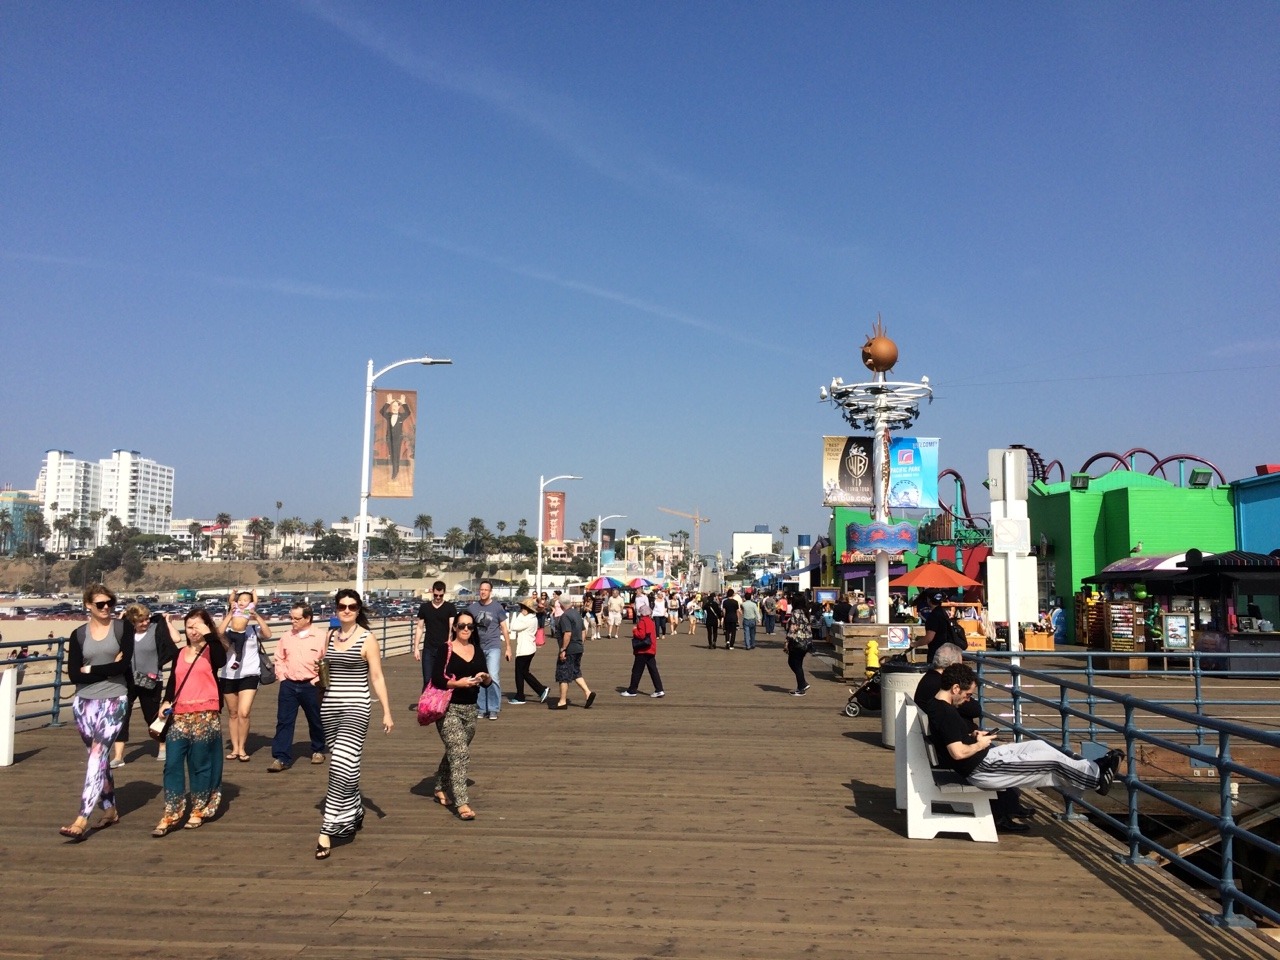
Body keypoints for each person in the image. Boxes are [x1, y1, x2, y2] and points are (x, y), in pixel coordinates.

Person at [923, 663, 1124, 802]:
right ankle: (1096, 780)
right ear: (956, 688)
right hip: (984, 769)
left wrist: (975, 737)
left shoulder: (938, 706)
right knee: (1050, 761)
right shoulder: (945, 712)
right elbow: (957, 752)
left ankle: (1092, 768)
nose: (968, 700)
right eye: (967, 695)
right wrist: (979, 744)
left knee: (1039, 746)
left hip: (984, 759)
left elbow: (952, 738)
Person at [315, 589, 394, 860]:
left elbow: (377, 677)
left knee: (339, 763)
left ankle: (328, 828)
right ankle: (355, 810)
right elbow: (326, 672)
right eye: (342, 606)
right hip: (330, 708)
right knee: (348, 765)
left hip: (356, 708)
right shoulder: (330, 636)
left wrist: (386, 711)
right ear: (335, 609)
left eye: (352, 606)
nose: (346, 610)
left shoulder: (367, 639)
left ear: (359, 610)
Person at [60, 583, 134, 841]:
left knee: (97, 754)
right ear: (88, 606)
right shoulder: (78, 634)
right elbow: (72, 674)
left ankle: (82, 817)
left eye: (110, 603)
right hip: (84, 702)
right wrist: (103, 669)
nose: (106, 608)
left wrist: (90, 670)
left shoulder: (123, 628)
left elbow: (122, 667)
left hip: (115, 698)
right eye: (100, 604)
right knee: (98, 758)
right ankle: (111, 809)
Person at [152, 607, 231, 837]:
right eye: (189, 626)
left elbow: (221, 660)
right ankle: (172, 811)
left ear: (206, 627)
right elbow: (174, 681)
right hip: (179, 714)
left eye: (197, 626)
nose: (193, 631)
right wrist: (165, 701)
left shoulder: (212, 649)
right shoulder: (179, 653)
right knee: (172, 763)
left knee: (200, 763)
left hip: (206, 713)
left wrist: (209, 634)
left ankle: (199, 808)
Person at [430, 611, 492, 820]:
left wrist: (484, 678)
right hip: (448, 708)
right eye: (462, 625)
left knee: (456, 751)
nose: (466, 629)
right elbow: (437, 678)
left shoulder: (477, 650)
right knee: (460, 752)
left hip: (471, 709)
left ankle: (439, 785)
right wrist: (458, 683)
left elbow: (486, 680)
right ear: (454, 627)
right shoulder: (445, 649)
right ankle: (462, 803)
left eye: (470, 626)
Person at [111, 603, 177, 768]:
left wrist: (167, 622)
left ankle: (162, 745)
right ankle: (118, 756)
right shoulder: (127, 633)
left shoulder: (156, 629)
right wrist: (120, 622)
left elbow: (176, 639)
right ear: (133, 622)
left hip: (151, 680)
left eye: (147, 618)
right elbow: (112, 643)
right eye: (141, 620)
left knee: (152, 715)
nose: (145, 622)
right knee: (122, 716)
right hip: (128, 680)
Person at [268, 602, 327, 772]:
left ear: (308, 618)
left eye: (296, 618)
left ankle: (317, 749)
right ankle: (281, 757)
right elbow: (279, 657)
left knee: (315, 719)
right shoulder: (287, 636)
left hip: (311, 685)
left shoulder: (321, 636)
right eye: (291, 618)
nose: (292, 621)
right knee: (284, 721)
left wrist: (317, 680)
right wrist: (282, 677)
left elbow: (327, 660)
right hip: (289, 685)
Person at [218, 599, 272, 761]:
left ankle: (242, 748)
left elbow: (268, 635)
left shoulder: (253, 630)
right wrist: (229, 614)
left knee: (244, 712)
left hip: (250, 674)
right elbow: (217, 634)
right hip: (228, 675)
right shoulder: (227, 631)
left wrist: (257, 617)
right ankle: (235, 748)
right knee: (233, 714)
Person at [467, 580, 511, 720]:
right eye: (481, 589)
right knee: (479, 677)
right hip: (477, 648)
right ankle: (481, 708)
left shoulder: (497, 608)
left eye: (486, 589)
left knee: (493, 675)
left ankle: (493, 708)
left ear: (490, 591)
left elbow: (504, 628)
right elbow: (466, 628)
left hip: (493, 646)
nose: (483, 592)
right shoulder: (472, 608)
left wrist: (508, 647)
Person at [412, 581, 455, 704]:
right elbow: (420, 628)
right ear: (432, 592)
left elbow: (452, 626)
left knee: (445, 677)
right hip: (429, 648)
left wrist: (450, 642)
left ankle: (443, 702)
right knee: (427, 678)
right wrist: (416, 648)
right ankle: (425, 703)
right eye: (435, 595)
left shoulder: (450, 607)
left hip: (444, 648)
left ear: (444, 593)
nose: (437, 598)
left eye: (440, 595)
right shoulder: (425, 608)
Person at [549, 594, 595, 710]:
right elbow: (584, 631)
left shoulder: (565, 616)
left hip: (569, 649)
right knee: (575, 672)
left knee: (563, 675)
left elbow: (567, 633)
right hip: (578, 647)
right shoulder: (576, 614)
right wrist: (581, 644)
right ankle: (588, 692)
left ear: (560, 604)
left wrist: (563, 649)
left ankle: (562, 701)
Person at [508, 596, 547, 704]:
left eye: (523, 608)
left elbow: (513, 626)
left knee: (521, 673)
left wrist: (520, 615)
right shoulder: (532, 618)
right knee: (523, 672)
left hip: (525, 650)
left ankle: (538, 690)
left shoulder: (528, 619)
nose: (521, 610)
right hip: (528, 649)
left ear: (527, 609)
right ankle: (523, 694)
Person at [620, 611, 664, 698]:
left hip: (643, 650)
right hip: (651, 649)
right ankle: (659, 689)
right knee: (653, 670)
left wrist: (635, 630)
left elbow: (641, 635)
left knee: (636, 671)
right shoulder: (651, 621)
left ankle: (632, 690)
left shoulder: (642, 621)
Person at [784, 595, 813, 697]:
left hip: (797, 641)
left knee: (793, 663)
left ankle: (802, 686)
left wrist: (787, 641)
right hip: (806, 642)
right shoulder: (805, 612)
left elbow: (793, 628)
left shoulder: (795, 613)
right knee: (797, 663)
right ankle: (802, 684)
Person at [380, 392, 413, 480]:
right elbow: (381, 411)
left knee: (396, 456)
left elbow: (408, 412)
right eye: (393, 406)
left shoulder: (401, 416)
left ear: (399, 407)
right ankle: (394, 468)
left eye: (396, 406)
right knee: (391, 455)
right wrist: (388, 402)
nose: (394, 407)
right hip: (389, 439)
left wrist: (403, 403)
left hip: (398, 439)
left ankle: (395, 472)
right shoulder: (389, 416)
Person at [921, 591, 961, 662]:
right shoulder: (943, 612)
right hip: (946, 649)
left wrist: (914, 644)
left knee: (936, 671)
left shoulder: (933, 616)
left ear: (929, 600)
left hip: (936, 652)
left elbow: (929, 638)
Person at [224, 589, 256, 669]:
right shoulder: (236, 608)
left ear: (249, 602)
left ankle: (237, 662)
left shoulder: (248, 610)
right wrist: (234, 592)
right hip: (231, 632)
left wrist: (254, 593)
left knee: (239, 649)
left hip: (241, 634)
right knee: (225, 645)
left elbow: (255, 601)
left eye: (245, 600)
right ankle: (221, 657)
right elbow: (231, 600)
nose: (241, 602)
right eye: (240, 600)